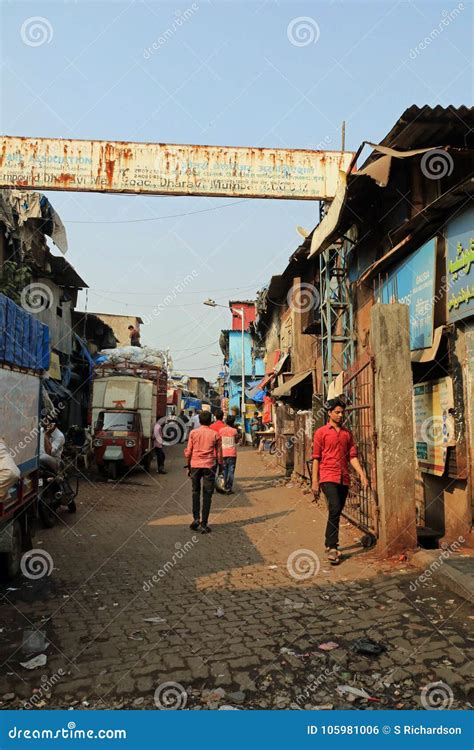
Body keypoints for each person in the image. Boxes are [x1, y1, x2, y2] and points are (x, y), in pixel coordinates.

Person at [311, 398, 368, 565]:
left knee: (336, 511)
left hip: (344, 477)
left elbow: (352, 457)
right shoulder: (321, 433)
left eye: (342, 412)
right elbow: (316, 458)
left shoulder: (347, 434)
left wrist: (362, 474)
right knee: (335, 507)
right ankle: (333, 546)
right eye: (337, 412)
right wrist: (315, 481)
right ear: (329, 413)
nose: (340, 415)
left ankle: (329, 543)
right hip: (327, 476)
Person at [184, 411, 222, 534]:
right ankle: (204, 523)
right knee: (207, 494)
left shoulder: (193, 433)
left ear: (199, 421)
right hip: (209, 466)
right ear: (211, 421)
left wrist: (188, 466)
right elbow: (219, 454)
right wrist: (220, 467)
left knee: (195, 491)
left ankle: (196, 519)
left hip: (195, 465)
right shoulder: (215, 435)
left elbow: (189, 452)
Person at [219, 415, 238, 493]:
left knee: (225, 470)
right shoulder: (234, 431)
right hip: (232, 453)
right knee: (231, 471)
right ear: (233, 422)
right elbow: (236, 441)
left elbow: (219, 441)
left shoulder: (221, 430)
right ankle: (229, 488)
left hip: (223, 452)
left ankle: (224, 486)